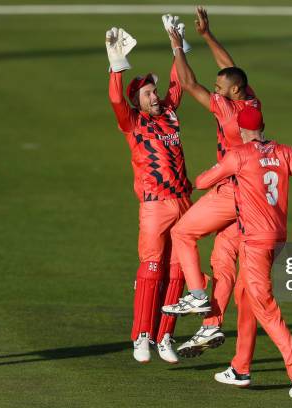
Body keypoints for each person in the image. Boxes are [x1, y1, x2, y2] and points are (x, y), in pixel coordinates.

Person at [195, 107, 292, 398]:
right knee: (245, 297)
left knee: (265, 307)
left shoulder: (239, 155)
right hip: (278, 241)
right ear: (263, 125)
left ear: (242, 131)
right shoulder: (284, 151)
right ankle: (240, 368)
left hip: (255, 244)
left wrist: (220, 170)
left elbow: (201, 183)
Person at [160, 8, 262, 358]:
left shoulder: (227, 110)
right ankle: (210, 326)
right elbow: (230, 69)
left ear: (231, 91)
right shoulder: (250, 101)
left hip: (230, 190)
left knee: (182, 234)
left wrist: (178, 47)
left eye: (220, 86)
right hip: (252, 198)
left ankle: (197, 295)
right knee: (222, 262)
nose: (216, 87)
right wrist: (207, 36)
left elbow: (189, 84)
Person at [105, 26, 192, 364]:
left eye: (155, 92)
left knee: (180, 271)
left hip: (184, 203)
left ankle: (164, 335)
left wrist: (178, 48)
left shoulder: (169, 113)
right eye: (148, 94)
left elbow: (179, 84)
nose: (155, 97)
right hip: (155, 205)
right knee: (152, 269)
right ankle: (141, 336)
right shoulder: (133, 123)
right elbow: (115, 99)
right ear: (137, 101)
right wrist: (116, 64)